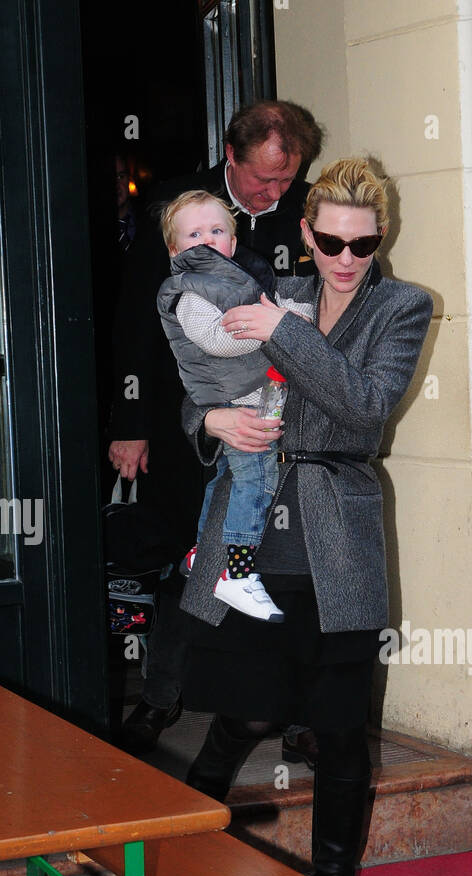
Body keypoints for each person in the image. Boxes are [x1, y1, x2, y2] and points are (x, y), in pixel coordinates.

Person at [177, 157, 433, 876]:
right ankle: (173, 845)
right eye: (330, 243)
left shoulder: (402, 307)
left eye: (361, 245)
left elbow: (364, 405)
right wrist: (210, 419)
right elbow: (197, 376)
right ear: (306, 234)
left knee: (342, 730)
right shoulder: (269, 293)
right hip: (258, 531)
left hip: (338, 532)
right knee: (244, 714)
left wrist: (283, 335)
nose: (345, 260)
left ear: (381, 237)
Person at [114, 100, 324, 751]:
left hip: (288, 427)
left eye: (287, 180)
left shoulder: (313, 212)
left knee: (290, 570)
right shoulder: (180, 210)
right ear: (230, 157)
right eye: (263, 180)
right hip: (198, 426)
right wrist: (130, 422)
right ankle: (161, 698)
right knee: (195, 560)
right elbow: (135, 323)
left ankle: (300, 716)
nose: (276, 192)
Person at [156, 190, 316, 622]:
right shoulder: (188, 290)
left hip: (247, 393)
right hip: (234, 401)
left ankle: (200, 548)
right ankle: (238, 572)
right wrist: (273, 330)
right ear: (175, 249)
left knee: (227, 478)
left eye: (217, 230)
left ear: (232, 240)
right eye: (194, 234)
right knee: (257, 479)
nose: (207, 240)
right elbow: (216, 340)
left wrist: (290, 315)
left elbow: (270, 309)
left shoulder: (237, 278)